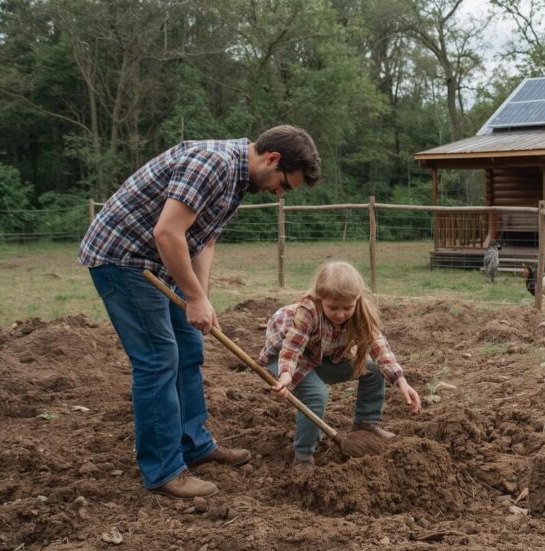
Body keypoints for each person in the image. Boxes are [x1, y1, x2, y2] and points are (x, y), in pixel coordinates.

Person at [78, 125, 321, 499]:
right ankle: (164, 470)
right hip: (125, 259)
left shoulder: (238, 181)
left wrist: (201, 296)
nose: (279, 193)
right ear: (272, 160)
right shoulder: (213, 164)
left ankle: (194, 443)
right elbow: (168, 232)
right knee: (159, 359)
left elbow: (204, 238)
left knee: (190, 348)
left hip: (160, 262)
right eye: (284, 184)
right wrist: (192, 296)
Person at [258, 261, 421, 473]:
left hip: (322, 356)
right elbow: (292, 348)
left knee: (372, 370)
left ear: (357, 300)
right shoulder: (308, 311)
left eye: (347, 308)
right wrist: (286, 376)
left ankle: (366, 424)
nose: (341, 314)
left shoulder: (361, 312)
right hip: (284, 356)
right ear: (320, 297)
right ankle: (304, 455)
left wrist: (402, 382)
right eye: (333, 307)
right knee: (317, 394)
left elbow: (379, 348)